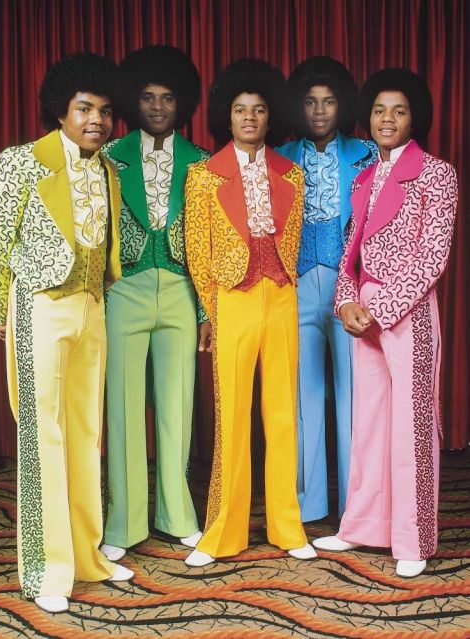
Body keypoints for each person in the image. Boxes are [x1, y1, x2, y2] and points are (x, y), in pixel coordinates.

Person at [0, 53, 134, 613]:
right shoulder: (23, 162)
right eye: (85, 108)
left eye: (106, 111)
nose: (97, 119)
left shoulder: (109, 170)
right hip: (39, 306)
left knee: (86, 432)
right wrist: (0, 311)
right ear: (61, 111)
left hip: (92, 306)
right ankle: (47, 572)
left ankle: (87, 556)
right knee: (42, 437)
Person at [313, 68, 458, 578]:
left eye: (398, 110)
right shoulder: (365, 176)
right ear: (368, 118)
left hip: (409, 312)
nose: (387, 119)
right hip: (364, 311)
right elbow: (350, 251)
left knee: (411, 423)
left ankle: (413, 538)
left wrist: (383, 306)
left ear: (414, 117)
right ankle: (362, 527)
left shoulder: (437, 173)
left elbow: (432, 257)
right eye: (379, 110)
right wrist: (348, 301)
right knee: (369, 422)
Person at [184, 58, 316, 567]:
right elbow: (198, 250)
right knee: (232, 417)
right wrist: (212, 311)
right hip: (233, 300)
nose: (250, 118)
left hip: (282, 295)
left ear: (269, 116)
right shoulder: (203, 176)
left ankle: (288, 526)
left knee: (282, 415)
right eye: (241, 109)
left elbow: (293, 238)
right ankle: (222, 532)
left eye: (259, 109)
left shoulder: (293, 174)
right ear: (228, 115)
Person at [100, 45, 209, 563]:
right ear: (132, 100)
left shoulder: (203, 163)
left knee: (177, 406)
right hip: (126, 288)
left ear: (182, 102)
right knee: (122, 406)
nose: (158, 106)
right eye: (147, 96)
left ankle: (176, 514)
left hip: (183, 290)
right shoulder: (109, 157)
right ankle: (122, 523)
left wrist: (207, 310)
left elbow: (210, 244)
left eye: (167, 97)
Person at [277, 57, 376, 522]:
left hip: (349, 287)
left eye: (329, 101)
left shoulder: (365, 154)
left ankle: (355, 506)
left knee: (353, 396)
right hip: (296, 285)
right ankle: (309, 504)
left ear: (343, 105)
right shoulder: (279, 158)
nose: (319, 110)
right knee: (305, 396)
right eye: (311, 102)